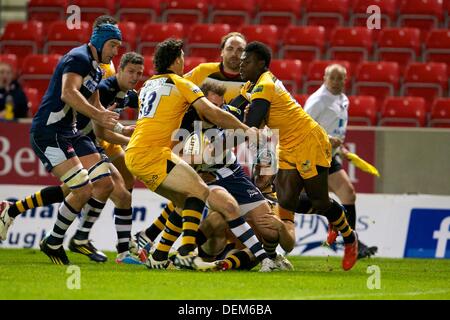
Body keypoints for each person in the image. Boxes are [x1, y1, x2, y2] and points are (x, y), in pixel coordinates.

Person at [124, 38, 276, 271]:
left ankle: (157, 253)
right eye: (182, 57)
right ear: (176, 60)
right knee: (199, 190)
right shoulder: (182, 83)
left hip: (137, 153)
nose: (184, 61)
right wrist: (247, 130)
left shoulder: (148, 86)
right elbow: (211, 112)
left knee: (183, 200)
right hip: (153, 154)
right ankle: (186, 252)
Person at [0, 52, 142, 264]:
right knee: (95, 188)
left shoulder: (126, 93)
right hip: (84, 140)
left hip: (91, 142)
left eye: (139, 73)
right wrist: (127, 138)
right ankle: (84, 239)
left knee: (102, 189)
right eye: (130, 72)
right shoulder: (102, 90)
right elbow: (100, 131)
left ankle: (118, 247)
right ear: (118, 71)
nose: (134, 77)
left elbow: (139, 106)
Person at [138, 81, 288, 271]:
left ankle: (159, 248)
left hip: (233, 172)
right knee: (227, 207)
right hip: (206, 177)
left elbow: (255, 122)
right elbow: (176, 156)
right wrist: (202, 158)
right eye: (212, 106)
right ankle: (265, 260)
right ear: (201, 103)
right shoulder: (186, 121)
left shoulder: (232, 112)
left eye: (219, 106)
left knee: (269, 228)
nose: (216, 110)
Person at [239, 41, 359, 271]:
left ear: (261, 63)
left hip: (308, 142)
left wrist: (249, 117)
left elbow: (252, 124)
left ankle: (349, 237)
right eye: (242, 61)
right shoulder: (251, 87)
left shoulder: (264, 84)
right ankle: (274, 259)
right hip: (287, 144)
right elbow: (257, 122)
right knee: (285, 200)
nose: (242, 65)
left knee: (320, 202)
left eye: (247, 61)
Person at [303, 64, 378, 259]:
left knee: (348, 194)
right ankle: (338, 225)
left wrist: (339, 148)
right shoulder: (318, 101)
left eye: (340, 78)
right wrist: (327, 139)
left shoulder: (343, 99)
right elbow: (303, 129)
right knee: (308, 202)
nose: (336, 82)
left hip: (330, 155)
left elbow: (335, 127)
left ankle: (351, 242)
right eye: (332, 78)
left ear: (346, 80)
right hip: (312, 155)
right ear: (324, 78)